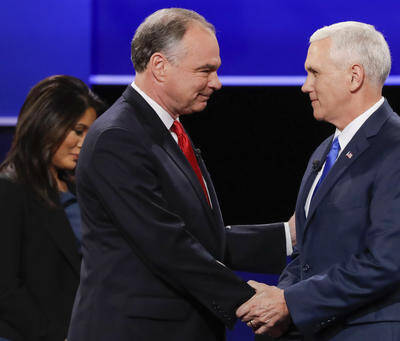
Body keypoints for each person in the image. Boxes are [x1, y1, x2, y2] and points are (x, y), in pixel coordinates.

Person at [68, 8, 293, 341]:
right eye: (206, 70)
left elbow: (200, 238)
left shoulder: (164, 130)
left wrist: (288, 236)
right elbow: (167, 244)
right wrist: (250, 302)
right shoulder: (117, 138)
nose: (216, 83)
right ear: (160, 66)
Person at [237, 21, 400, 340]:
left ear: (354, 76)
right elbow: (308, 253)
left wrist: (290, 302)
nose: (305, 85)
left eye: (314, 72)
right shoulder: (326, 150)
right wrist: (281, 298)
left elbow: (386, 263)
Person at [0, 75, 104, 341]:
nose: (84, 143)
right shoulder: (10, 189)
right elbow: (6, 288)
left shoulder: (81, 190)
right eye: (78, 131)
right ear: (47, 124)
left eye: (89, 133)